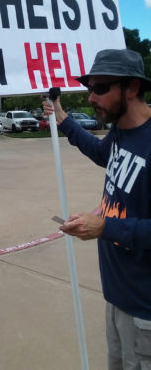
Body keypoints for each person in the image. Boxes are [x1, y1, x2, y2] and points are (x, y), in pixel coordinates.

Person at [43, 48, 151, 370]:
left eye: (100, 88)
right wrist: (62, 117)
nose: (91, 97)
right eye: (90, 88)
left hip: (144, 307)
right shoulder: (120, 130)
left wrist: (104, 227)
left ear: (132, 88)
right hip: (117, 292)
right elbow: (100, 152)